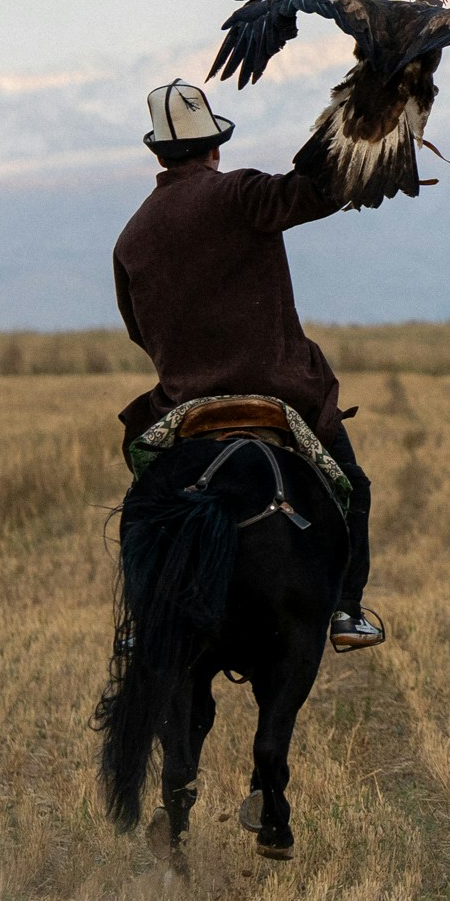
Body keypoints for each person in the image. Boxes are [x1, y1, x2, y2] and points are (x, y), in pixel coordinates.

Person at [110, 79, 384, 652]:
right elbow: (321, 192)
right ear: (216, 148)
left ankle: (139, 625)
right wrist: (369, 124)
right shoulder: (240, 194)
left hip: (183, 405)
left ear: (159, 154)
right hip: (277, 392)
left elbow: (141, 331)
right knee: (350, 487)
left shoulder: (132, 235)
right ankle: (346, 611)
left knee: (144, 507)